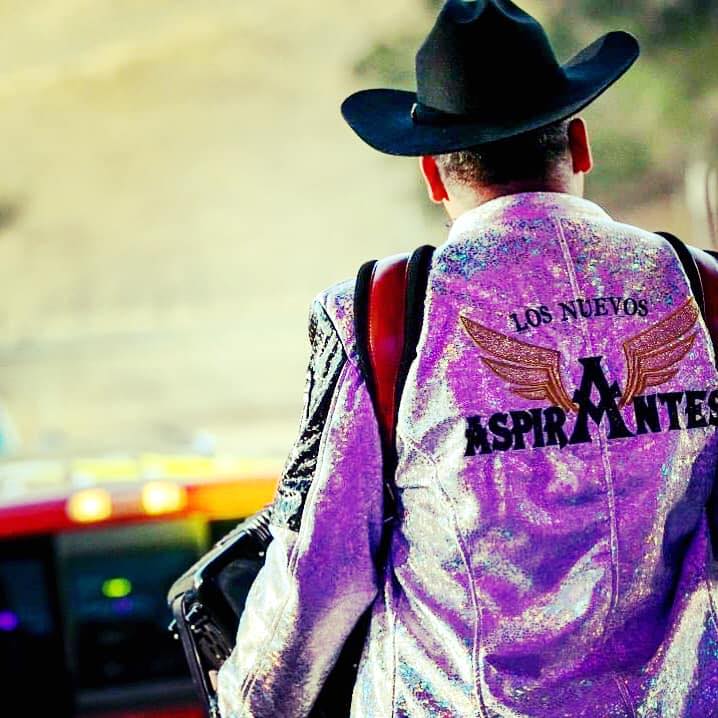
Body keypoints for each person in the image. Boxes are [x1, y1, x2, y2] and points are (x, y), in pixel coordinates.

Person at [217, 1, 718, 716]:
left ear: (433, 175)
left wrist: (247, 700)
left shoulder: (385, 311)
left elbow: (323, 569)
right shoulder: (701, 288)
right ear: (580, 144)